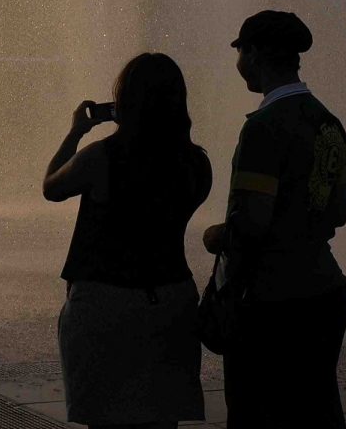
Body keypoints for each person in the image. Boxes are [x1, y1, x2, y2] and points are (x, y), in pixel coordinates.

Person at [44, 52, 213, 429]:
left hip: (104, 304)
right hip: (171, 300)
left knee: (105, 417)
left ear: (125, 101)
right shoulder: (197, 164)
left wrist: (76, 131)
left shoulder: (101, 157)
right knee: (162, 417)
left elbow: (51, 187)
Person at [202, 10, 346, 429]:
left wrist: (215, 236)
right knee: (318, 411)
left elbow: (251, 223)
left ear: (254, 54)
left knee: (256, 414)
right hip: (325, 291)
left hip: (272, 302)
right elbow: (337, 212)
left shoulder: (264, 129)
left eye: (240, 51)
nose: (239, 63)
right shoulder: (328, 122)